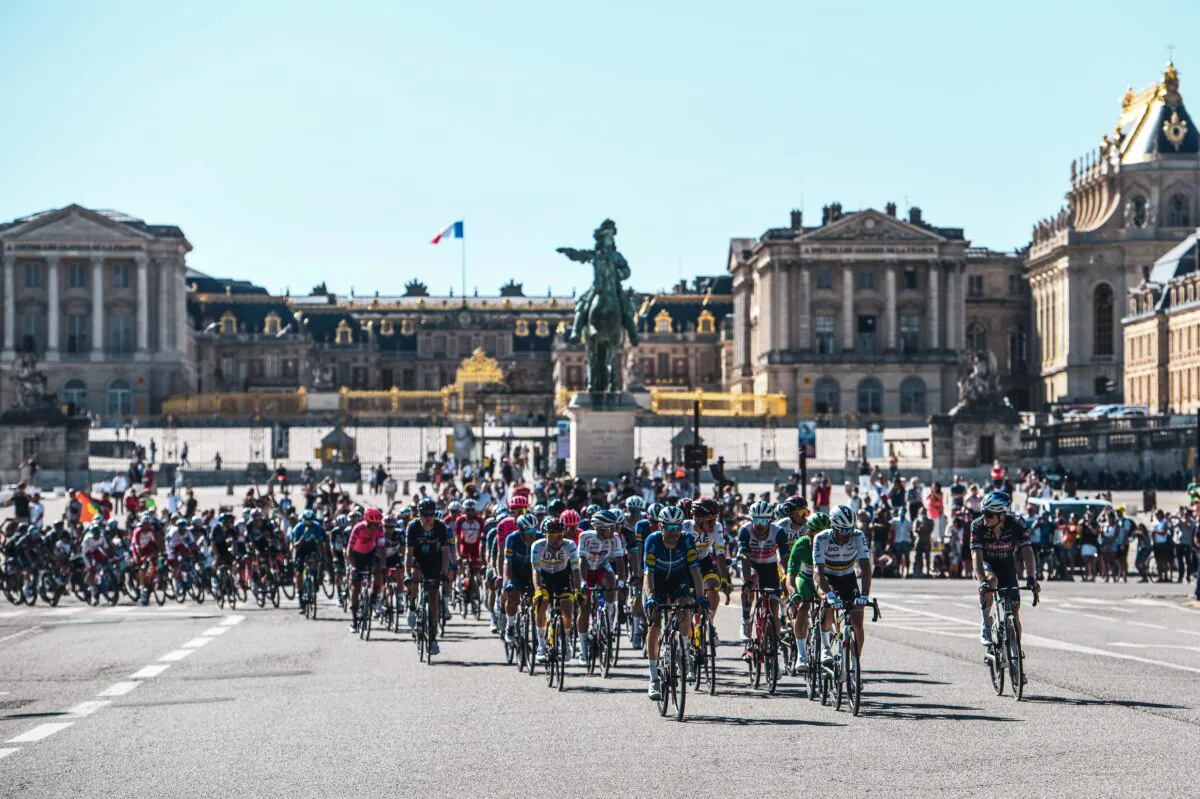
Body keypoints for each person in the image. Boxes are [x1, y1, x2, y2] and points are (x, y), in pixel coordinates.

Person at [971, 491, 1039, 685]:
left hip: (1008, 566)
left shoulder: (1017, 523)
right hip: (988, 565)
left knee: (1014, 613)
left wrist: (1032, 578)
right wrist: (982, 580)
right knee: (991, 581)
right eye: (983, 512)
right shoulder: (977, 526)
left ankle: (1015, 656)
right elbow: (976, 556)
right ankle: (985, 622)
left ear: (1002, 515)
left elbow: (1027, 550)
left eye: (989, 514)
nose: (984, 517)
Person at [642, 504, 707, 700]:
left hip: (679, 580)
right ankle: (653, 678)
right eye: (669, 528)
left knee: (686, 609)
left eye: (677, 527)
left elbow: (695, 571)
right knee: (654, 625)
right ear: (660, 526)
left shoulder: (687, 540)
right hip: (657, 583)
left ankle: (684, 652)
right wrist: (651, 596)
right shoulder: (652, 541)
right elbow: (648, 573)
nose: (674, 532)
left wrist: (700, 596)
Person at [812, 504, 873, 659]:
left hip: (848, 577)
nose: (848, 534)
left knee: (858, 625)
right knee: (827, 604)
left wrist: (865, 594)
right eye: (844, 530)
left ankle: (854, 664)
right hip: (827, 577)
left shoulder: (858, 536)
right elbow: (818, 572)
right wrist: (830, 595)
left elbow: (865, 567)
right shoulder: (821, 538)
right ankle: (826, 649)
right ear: (833, 527)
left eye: (850, 529)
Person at [576, 509, 626, 667]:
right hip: (586, 570)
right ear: (599, 528)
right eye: (611, 528)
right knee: (585, 608)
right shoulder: (585, 537)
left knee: (612, 579)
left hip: (602, 568)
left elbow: (619, 561)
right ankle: (583, 649)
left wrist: (622, 582)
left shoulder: (615, 538)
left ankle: (609, 614)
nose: (614, 530)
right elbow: (582, 561)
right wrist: (583, 582)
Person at [736, 500, 787, 652]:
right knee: (752, 580)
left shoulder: (778, 531)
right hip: (750, 564)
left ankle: (774, 644)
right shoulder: (745, 530)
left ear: (770, 520)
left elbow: (784, 558)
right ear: (751, 519)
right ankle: (745, 620)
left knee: (774, 607)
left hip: (770, 566)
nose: (760, 524)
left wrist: (785, 577)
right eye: (756, 520)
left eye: (764, 520)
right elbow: (745, 557)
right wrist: (747, 582)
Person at [530, 517, 581, 664]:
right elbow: (536, 572)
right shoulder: (537, 546)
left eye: (560, 536)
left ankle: (565, 640)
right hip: (544, 577)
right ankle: (540, 646)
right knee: (541, 603)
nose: (556, 540)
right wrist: (538, 590)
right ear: (545, 535)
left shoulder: (570, 545)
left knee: (567, 608)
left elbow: (576, 571)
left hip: (562, 577)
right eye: (552, 536)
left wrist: (578, 591)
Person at [404, 499, 451, 653]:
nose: (428, 518)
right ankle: (412, 605)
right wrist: (407, 574)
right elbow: (408, 553)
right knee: (415, 576)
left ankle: (432, 633)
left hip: (434, 561)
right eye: (425, 515)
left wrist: (444, 572)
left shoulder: (440, 526)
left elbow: (445, 552)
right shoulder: (413, 527)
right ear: (419, 514)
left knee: (433, 595)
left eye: (431, 515)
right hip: (418, 560)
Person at [347, 507, 386, 634]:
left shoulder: (379, 529)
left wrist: (383, 564)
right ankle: (354, 620)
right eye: (375, 525)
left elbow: (381, 547)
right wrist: (354, 566)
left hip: (370, 553)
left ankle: (374, 598)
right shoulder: (358, 528)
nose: (377, 527)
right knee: (355, 589)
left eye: (378, 524)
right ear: (368, 523)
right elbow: (349, 551)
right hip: (356, 556)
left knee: (379, 569)